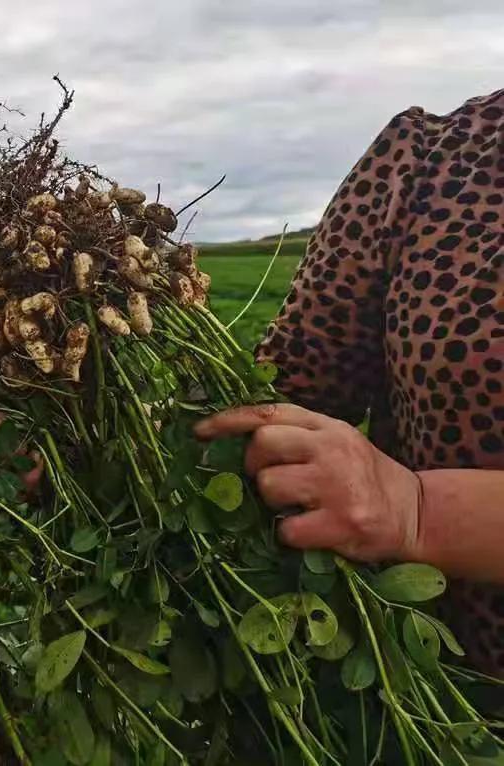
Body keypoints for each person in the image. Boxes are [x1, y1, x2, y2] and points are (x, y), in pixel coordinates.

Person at [195, 88, 504, 674]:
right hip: (432, 683)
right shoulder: (429, 156)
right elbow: (288, 393)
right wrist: (96, 423)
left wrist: (421, 512)